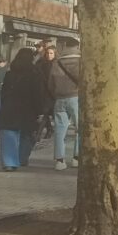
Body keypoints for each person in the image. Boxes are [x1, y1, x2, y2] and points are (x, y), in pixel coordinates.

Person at [0, 49, 44, 171]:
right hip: (27, 108)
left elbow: (4, 93)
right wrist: (40, 110)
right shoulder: (34, 75)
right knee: (27, 134)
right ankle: (21, 158)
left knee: (8, 133)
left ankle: (9, 162)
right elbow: (37, 94)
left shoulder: (9, 74)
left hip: (9, 107)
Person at [48, 39, 81, 170]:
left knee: (59, 130)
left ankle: (60, 160)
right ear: (77, 46)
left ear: (65, 46)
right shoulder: (81, 61)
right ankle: (76, 158)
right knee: (80, 128)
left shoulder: (57, 62)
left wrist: (56, 94)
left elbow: (50, 84)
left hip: (59, 99)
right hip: (76, 97)